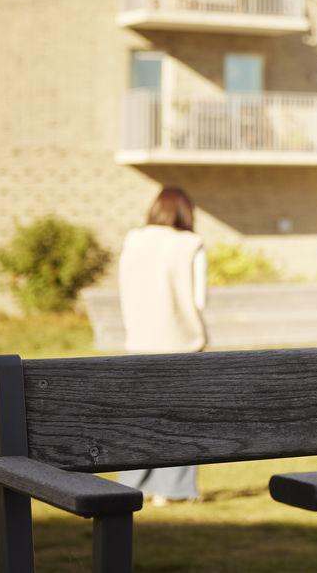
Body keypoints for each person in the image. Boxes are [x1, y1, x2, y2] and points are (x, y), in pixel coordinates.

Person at [115, 186, 207, 505]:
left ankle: (135, 483)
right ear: (186, 212)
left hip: (140, 341)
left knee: (141, 418)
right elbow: (199, 299)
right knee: (180, 420)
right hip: (182, 343)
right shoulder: (190, 244)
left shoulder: (133, 240)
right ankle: (172, 489)